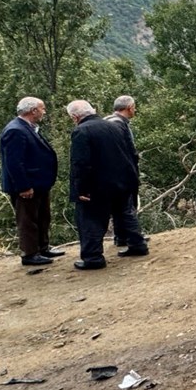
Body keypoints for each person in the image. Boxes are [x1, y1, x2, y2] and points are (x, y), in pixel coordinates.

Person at [68, 100, 148, 270]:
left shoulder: (81, 131)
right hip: (122, 181)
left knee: (90, 219)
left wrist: (81, 188)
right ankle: (138, 245)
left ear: (74, 117)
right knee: (125, 213)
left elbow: (81, 163)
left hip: (98, 186)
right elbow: (129, 153)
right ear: (93, 110)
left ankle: (93, 257)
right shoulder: (114, 126)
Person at [0, 97, 62, 267]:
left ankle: (42, 247)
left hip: (39, 184)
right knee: (27, 220)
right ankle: (30, 253)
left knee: (43, 217)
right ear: (33, 110)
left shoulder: (28, 128)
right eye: (42, 108)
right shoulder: (15, 130)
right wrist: (23, 186)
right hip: (27, 186)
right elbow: (14, 162)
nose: (44, 112)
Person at [105, 95, 144, 248]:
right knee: (126, 206)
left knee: (122, 206)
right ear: (129, 108)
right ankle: (130, 238)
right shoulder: (116, 124)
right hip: (123, 173)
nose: (135, 110)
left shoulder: (113, 122)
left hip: (120, 173)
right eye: (134, 107)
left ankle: (122, 237)